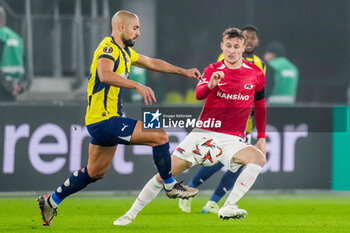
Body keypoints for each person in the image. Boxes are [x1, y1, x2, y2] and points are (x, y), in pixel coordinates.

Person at [37, 10, 202, 226]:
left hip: (103, 121)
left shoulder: (125, 52)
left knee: (95, 172)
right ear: (121, 27)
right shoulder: (108, 49)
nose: (139, 33)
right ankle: (170, 185)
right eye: (135, 28)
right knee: (160, 135)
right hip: (105, 119)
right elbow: (105, 74)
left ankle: (51, 201)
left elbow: (151, 62)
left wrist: (184, 71)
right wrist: (137, 84)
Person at [114, 27, 266, 225]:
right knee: (164, 175)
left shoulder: (256, 73)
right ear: (222, 46)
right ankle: (130, 214)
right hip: (203, 134)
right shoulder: (213, 70)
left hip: (232, 137)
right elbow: (198, 94)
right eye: (228, 46)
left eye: (236, 46)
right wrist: (210, 84)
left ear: (243, 47)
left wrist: (261, 137)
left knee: (258, 158)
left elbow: (260, 104)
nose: (231, 50)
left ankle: (228, 206)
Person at [179, 25, 266, 214]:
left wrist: (261, 133)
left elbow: (259, 96)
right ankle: (192, 188)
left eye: (253, 38)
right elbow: (211, 90)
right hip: (222, 123)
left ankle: (213, 202)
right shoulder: (225, 59)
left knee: (238, 164)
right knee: (216, 160)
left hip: (245, 122)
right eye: (247, 37)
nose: (250, 41)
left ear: (253, 43)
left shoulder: (260, 65)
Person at [0, 6, 28, 101]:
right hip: (14, 91)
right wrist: (19, 86)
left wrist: (7, 85)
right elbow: (26, 66)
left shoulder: (1, 37)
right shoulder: (17, 38)